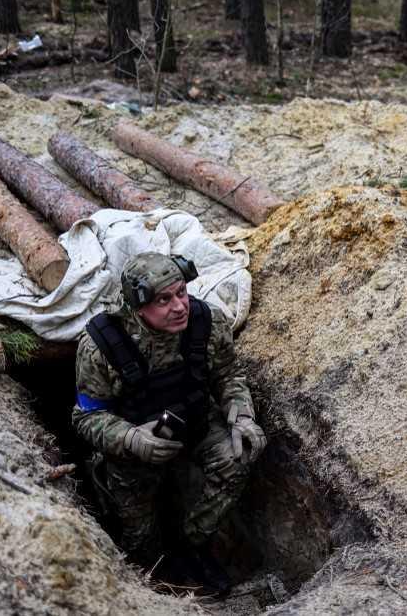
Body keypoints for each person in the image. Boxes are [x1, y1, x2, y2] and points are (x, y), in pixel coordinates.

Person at [72, 252, 266, 595]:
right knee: (140, 538)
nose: (179, 306)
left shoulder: (207, 322)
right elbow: (87, 417)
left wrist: (243, 414)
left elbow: (228, 375)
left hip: (195, 423)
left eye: (181, 293)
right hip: (134, 450)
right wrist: (132, 438)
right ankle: (154, 572)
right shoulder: (101, 346)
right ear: (138, 306)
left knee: (239, 454)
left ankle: (195, 544)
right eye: (164, 300)